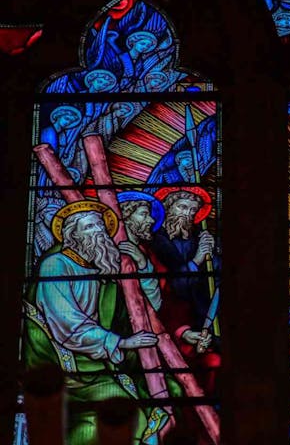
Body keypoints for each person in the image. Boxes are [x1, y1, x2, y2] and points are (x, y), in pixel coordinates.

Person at [22, 201, 171, 444]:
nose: (99, 232)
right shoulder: (56, 265)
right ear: (73, 236)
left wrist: (142, 266)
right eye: (90, 226)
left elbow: (146, 307)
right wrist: (121, 342)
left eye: (101, 226)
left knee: (164, 396)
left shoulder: (104, 269)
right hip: (66, 362)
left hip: (101, 358)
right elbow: (67, 322)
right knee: (129, 411)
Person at [149, 187, 220, 394]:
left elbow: (215, 280)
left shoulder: (198, 240)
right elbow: (174, 287)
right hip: (167, 323)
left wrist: (212, 256)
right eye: (182, 207)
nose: (187, 214)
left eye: (192, 210)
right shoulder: (155, 242)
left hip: (201, 320)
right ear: (167, 208)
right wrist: (197, 259)